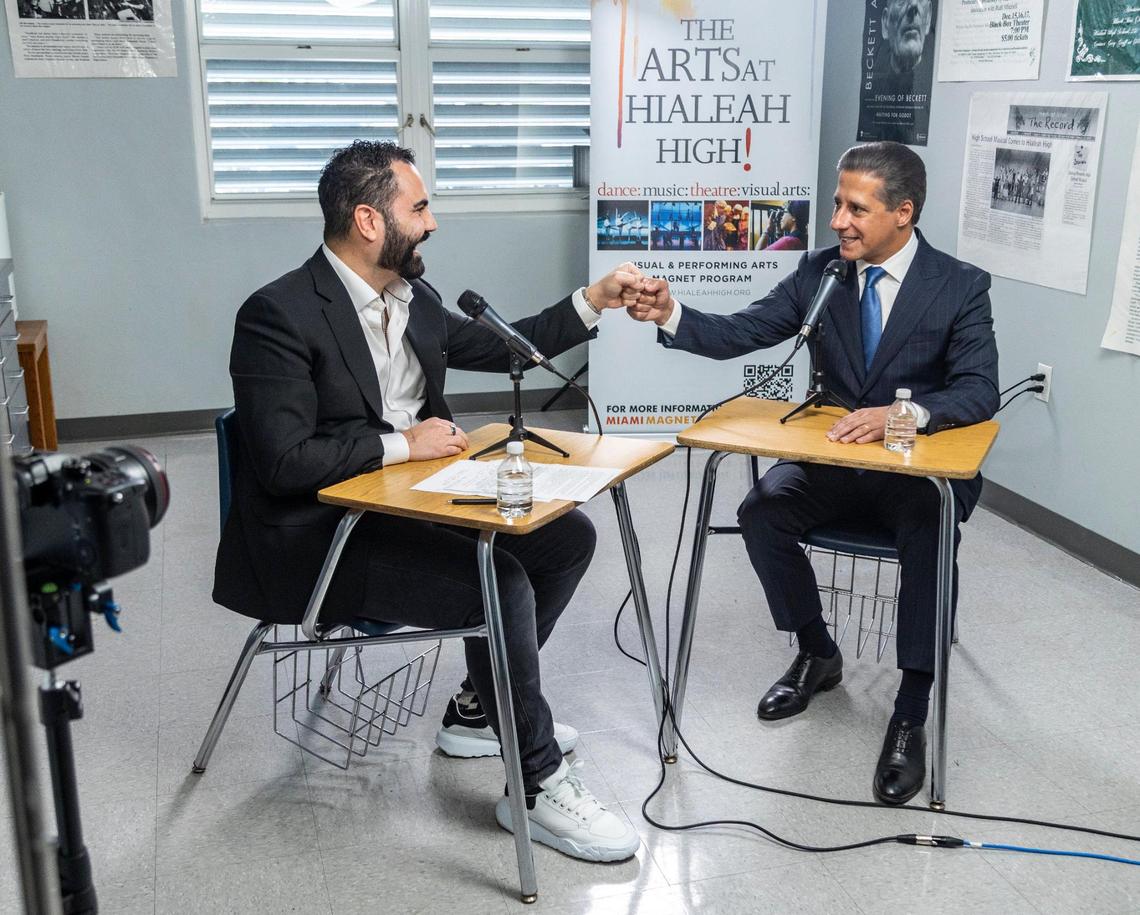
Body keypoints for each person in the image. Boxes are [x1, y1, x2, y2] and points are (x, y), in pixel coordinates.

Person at [213, 140, 641, 861]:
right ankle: (536, 781)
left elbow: (509, 346)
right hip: (319, 535)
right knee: (497, 578)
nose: (433, 221)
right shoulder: (277, 315)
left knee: (569, 539)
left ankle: (478, 710)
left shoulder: (414, 300)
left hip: (407, 505)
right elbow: (284, 461)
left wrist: (592, 301)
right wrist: (404, 444)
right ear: (368, 221)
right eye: (419, 206)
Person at [623, 141, 999, 805]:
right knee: (761, 512)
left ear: (903, 213)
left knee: (930, 530)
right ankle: (817, 650)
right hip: (834, 462)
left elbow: (977, 392)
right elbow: (743, 330)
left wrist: (899, 413)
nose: (838, 220)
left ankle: (911, 708)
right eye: (837, 203)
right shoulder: (822, 274)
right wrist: (670, 314)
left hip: (915, 472)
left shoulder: (961, 285)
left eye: (856, 208)